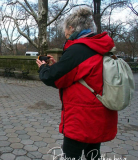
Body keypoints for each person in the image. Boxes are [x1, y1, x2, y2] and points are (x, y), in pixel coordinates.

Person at [36, 7, 118, 160]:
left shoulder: (78, 49)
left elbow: (53, 79)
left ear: (72, 28)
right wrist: (57, 66)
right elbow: (75, 74)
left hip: (81, 119)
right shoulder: (100, 46)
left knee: (70, 156)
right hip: (99, 114)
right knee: (93, 155)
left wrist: (44, 68)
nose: (65, 34)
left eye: (65, 29)